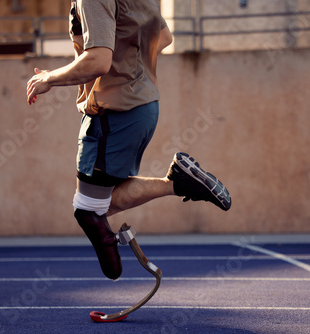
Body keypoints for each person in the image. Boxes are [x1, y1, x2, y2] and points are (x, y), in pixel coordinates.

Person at [26, 0, 231, 280]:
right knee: (99, 202)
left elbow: (98, 60)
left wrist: (50, 78)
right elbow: (165, 38)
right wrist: (130, 65)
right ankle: (179, 182)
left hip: (113, 112)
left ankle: (178, 183)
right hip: (143, 106)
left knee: (88, 211)